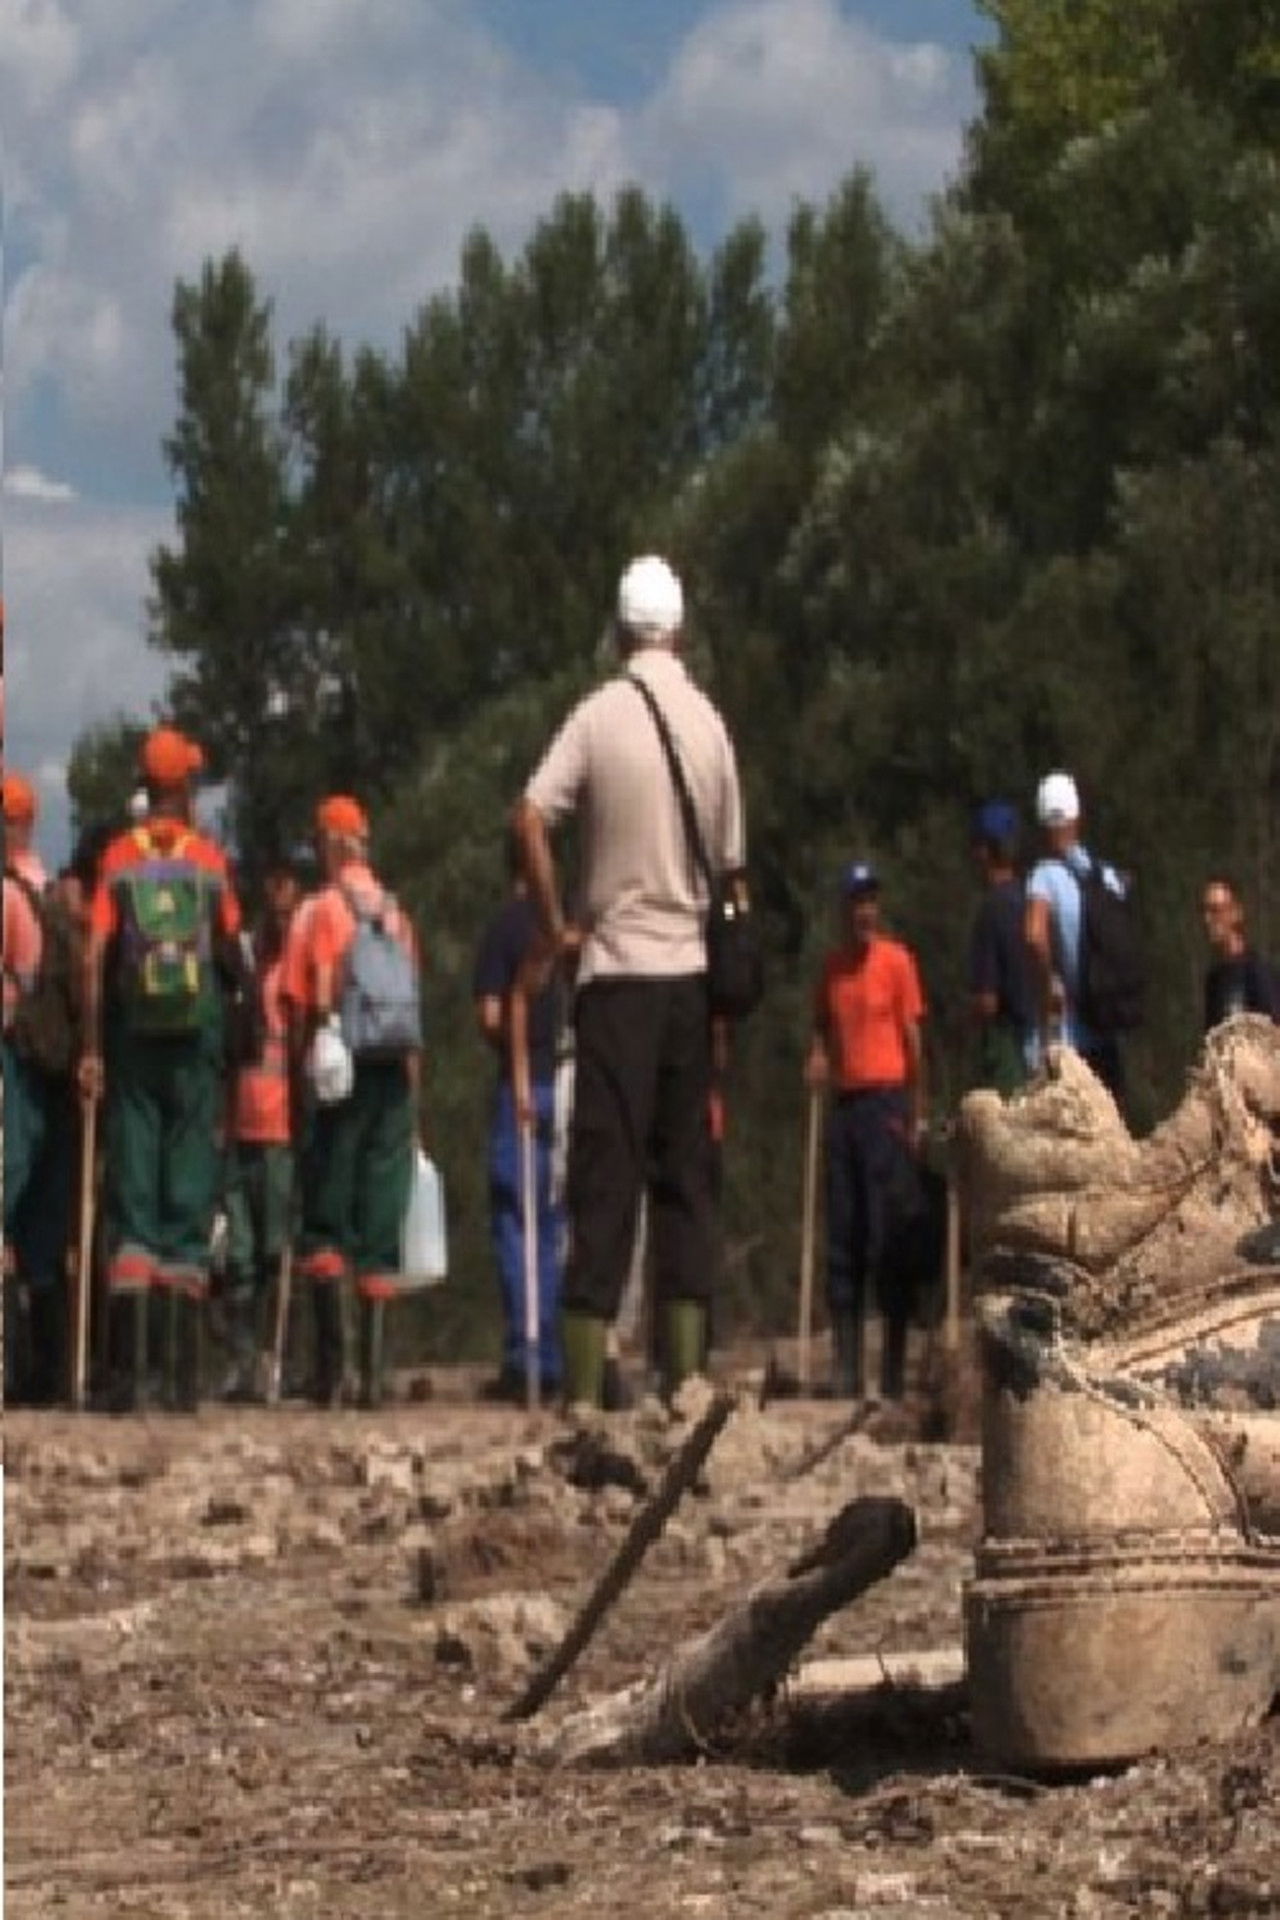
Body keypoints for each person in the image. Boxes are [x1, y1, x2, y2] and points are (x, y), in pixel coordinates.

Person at [513, 553, 745, 1410]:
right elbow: (732, 867)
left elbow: (531, 814)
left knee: (603, 1182)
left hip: (612, 976)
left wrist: (555, 924)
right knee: (685, 1180)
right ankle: (683, 1381)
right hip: (687, 975)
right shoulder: (711, 725)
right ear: (680, 628)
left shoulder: (599, 715)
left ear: (618, 630)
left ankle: (583, 1386)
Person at [79, 728, 243, 1411]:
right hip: (193, 1041)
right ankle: (181, 1382)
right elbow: (232, 951)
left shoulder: (118, 859)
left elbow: (93, 961)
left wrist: (92, 1047)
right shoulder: (208, 862)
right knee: (186, 1196)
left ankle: (133, 1379)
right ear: (182, 787)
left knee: (133, 1199)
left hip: (134, 1040)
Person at [291, 795, 424, 1409]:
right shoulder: (396, 913)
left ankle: (332, 1374)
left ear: (331, 843)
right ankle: (373, 1377)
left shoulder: (320, 911)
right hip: (393, 1076)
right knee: (379, 1227)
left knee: (326, 1220)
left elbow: (308, 997)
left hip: (338, 1074)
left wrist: (303, 1081)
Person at [805, 862, 927, 1401]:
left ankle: (893, 1368)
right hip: (847, 1104)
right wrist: (816, 1056)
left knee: (889, 1235)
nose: (863, 911)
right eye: (855, 901)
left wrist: (917, 1113)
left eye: (870, 900)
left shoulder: (896, 962)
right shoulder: (832, 969)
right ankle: (846, 1365)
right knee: (844, 1234)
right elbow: (821, 1027)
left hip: (886, 1103)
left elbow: (914, 1038)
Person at [472, 839, 565, 1401]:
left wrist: (507, 1042)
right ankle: (558, 1352)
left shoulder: (506, 929)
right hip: (571, 1081)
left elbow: (488, 1015)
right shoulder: (567, 928)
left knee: (515, 1219)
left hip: (523, 1084)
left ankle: (526, 1354)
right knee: (556, 1223)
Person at [4, 772, 81, 1404]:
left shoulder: (6, 895)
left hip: (13, 1059)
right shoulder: (54, 893)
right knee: (44, 1226)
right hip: (54, 1068)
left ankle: (12, 1366)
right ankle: (52, 1371)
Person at [219, 857, 301, 1399]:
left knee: (275, 1251)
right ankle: (242, 1358)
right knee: (239, 1256)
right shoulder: (244, 963)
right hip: (238, 1124)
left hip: (280, 1128)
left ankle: (275, 1359)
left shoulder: (298, 965)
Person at [1024, 771, 1132, 1102]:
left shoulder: (1044, 876)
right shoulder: (1108, 876)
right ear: (1077, 816)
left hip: (1068, 1042)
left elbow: (1033, 934)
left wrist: (1048, 985)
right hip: (1108, 1033)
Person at [968, 801, 1033, 1095]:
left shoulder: (991, 910)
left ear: (985, 851)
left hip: (1007, 1049)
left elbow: (987, 1001)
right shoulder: (1031, 901)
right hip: (1040, 1040)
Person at [1201, 877, 1279, 1032]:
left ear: (1235, 912)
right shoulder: (1214, 981)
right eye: (1206, 911)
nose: (1209, 920)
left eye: (1216, 910)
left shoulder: (1257, 973)